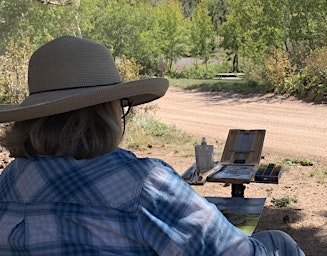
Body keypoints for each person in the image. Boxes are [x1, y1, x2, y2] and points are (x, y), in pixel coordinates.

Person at [0, 36, 305, 256]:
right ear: (106, 113)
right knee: (279, 244)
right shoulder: (143, 184)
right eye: (121, 107)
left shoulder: (9, 180)